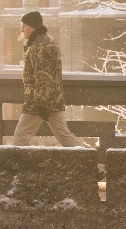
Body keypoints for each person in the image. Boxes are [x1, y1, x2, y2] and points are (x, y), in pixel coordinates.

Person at [11, 11, 87, 147]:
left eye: (24, 26)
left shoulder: (41, 46)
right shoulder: (43, 42)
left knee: (21, 135)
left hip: (40, 102)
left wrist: (40, 104)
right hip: (53, 100)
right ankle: (92, 160)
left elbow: (43, 76)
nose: (21, 30)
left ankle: (17, 167)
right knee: (64, 136)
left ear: (33, 27)